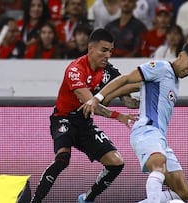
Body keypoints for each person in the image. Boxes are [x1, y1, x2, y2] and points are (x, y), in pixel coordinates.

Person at [81, 41, 188, 203]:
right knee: (158, 166)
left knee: (183, 193)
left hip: (160, 138)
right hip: (147, 131)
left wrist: (121, 98)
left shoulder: (173, 81)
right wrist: (97, 98)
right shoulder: (161, 67)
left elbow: (135, 86)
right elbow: (127, 78)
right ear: (181, 55)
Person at [29, 28, 138, 203]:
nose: (108, 55)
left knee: (116, 163)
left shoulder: (109, 72)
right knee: (62, 159)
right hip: (63, 119)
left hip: (84, 123)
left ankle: (87, 199)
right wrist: (119, 116)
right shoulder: (75, 70)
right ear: (90, 49)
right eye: (104, 50)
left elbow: (128, 101)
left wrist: (146, 97)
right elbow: (91, 104)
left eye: (110, 51)